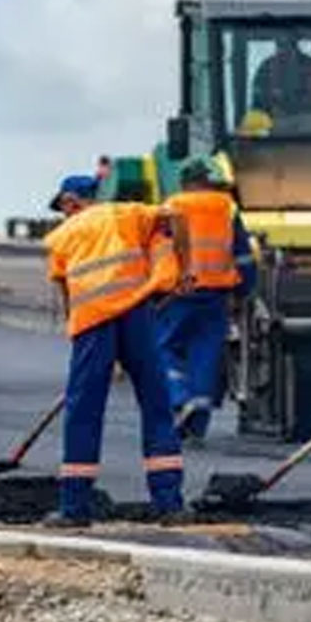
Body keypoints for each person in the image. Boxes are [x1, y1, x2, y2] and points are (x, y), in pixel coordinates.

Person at [42, 173, 191, 526]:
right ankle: (169, 504)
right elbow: (177, 218)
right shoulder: (127, 214)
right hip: (136, 315)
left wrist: (82, 344)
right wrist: (186, 269)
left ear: (70, 202)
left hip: (93, 325)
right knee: (156, 405)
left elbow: (68, 297)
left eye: (63, 208)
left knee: (83, 411)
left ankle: (74, 508)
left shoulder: (62, 237)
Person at [155, 157, 257, 443]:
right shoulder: (227, 207)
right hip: (216, 294)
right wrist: (245, 290)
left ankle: (179, 396)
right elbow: (243, 255)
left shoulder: (171, 207)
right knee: (206, 354)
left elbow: (156, 251)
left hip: (178, 292)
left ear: (185, 182)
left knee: (162, 348)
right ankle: (196, 426)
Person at [249, 36, 311, 133]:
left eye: (288, 40)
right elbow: (257, 111)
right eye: (281, 42)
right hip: (279, 141)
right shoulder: (266, 69)